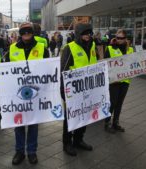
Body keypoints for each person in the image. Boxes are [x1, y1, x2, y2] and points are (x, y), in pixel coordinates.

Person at [4, 22, 49, 165]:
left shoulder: (42, 48)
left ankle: (31, 151)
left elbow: (48, 69)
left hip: (36, 92)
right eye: (23, 33)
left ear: (33, 33)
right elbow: (6, 70)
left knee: (33, 124)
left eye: (28, 32)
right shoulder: (12, 49)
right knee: (19, 123)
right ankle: (19, 151)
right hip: (17, 94)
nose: (26, 35)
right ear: (20, 34)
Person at [60, 23, 96, 156]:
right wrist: (63, 91)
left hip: (88, 89)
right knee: (70, 117)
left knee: (84, 114)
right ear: (79, 34)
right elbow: (63, 70)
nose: (87, 36)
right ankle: (67, 143)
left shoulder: (92, 45)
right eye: (85, 33)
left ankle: (79, 140)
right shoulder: (69, 48)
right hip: (73, 90)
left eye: (89, 33)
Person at [104, 29, 134, 133]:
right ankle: (107, 122)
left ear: (126, 39)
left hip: (125, 81)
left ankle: (116, 122)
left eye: (121, 38)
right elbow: (105, 64)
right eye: (117, 37)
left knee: (120, 103)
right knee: (112, 102)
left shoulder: (130, 50)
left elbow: (133, 64)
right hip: (114, 81)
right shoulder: (110, 48)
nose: (119, 40)